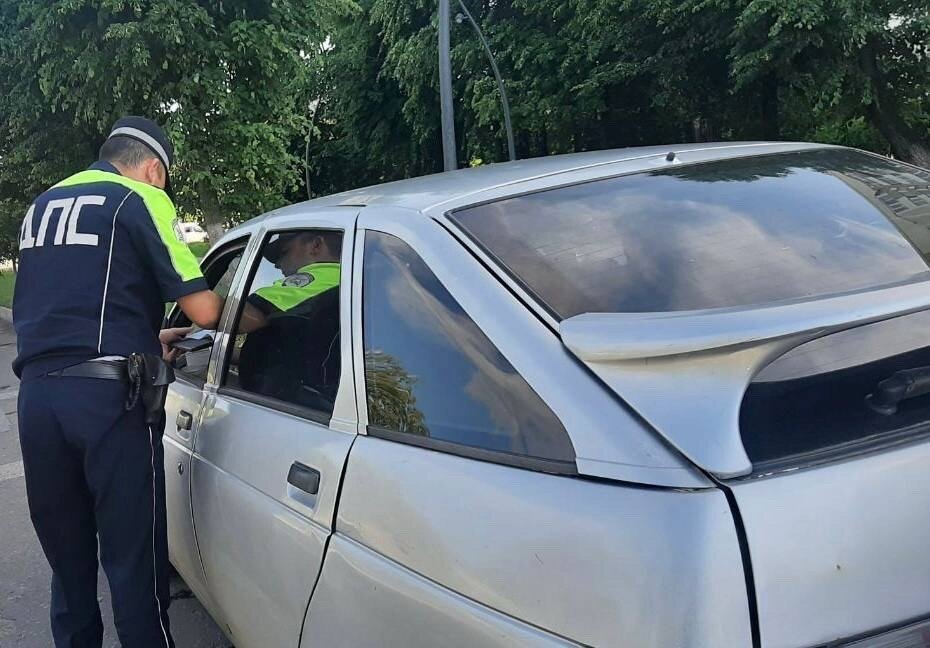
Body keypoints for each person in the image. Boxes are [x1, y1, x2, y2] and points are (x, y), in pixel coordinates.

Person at [12, 116, 224, 648]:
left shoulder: (42, 205)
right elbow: (204, 310)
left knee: (69, 566)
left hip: (38, 401)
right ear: (153, 169)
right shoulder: (138, 198)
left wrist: (146, 336)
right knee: (134, 564)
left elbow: (74, 310)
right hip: (110, 402)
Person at [236, 231, 341, 409]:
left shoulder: (318, 280)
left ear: (316, 245)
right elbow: (297, 351)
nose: (278, 265)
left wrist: (195, 300)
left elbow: (240, 317)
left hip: (289, 404)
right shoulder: (357, 282)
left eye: (284, 253)